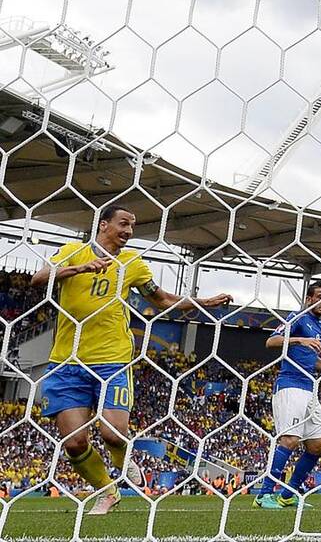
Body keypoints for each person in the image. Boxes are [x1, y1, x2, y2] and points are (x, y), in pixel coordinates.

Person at [32, 203, 232, 515]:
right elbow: (39, 278)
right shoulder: (73, 250)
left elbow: (162, 299)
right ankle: (107, 492)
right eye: (123, 224)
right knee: (73, 443)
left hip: (111, 360)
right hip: (67, 361)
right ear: (103, 224)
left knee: (112, 434)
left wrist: (203, 302)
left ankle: (124, 460)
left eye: (132, 226)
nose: (128, 232)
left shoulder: (132, 263)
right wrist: (79, 269)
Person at [253, 280, 321, 509]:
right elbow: (271, 341)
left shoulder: (320, 328)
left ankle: (288, 494)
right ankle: (263, 495)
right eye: (319, 296)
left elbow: (312, 360)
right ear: (308, 298)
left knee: (317, 445)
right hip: (290, 385)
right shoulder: (295, 318)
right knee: (290, 439)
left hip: (310, 389)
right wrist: (299, 338)